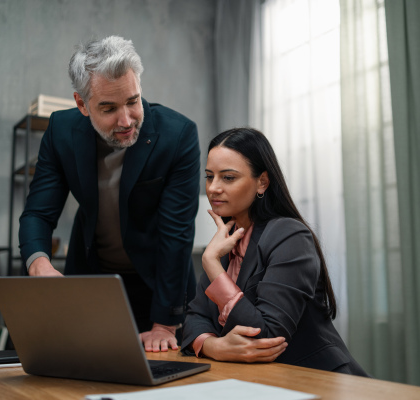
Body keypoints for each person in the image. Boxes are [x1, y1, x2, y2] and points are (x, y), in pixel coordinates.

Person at [19, 36, 200, 352]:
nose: (126, 120)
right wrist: (40, 265)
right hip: (93, 279)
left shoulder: (178, 135)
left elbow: (177, 235)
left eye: (133, 101)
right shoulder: (61, 130)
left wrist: (164, 324)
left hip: (160, 287)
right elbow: (38, 212)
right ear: (82, 104)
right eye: (109, 108)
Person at [182, 127, 368, 376]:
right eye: (209, 176)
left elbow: (267, 337)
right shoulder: (225, 241)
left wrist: (212, 266)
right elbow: (194, 319)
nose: (213, 188)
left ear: (262, 182)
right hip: (263, 382)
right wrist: (214, 346)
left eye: (228, 177)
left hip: (317, 379)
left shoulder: (289, 235)